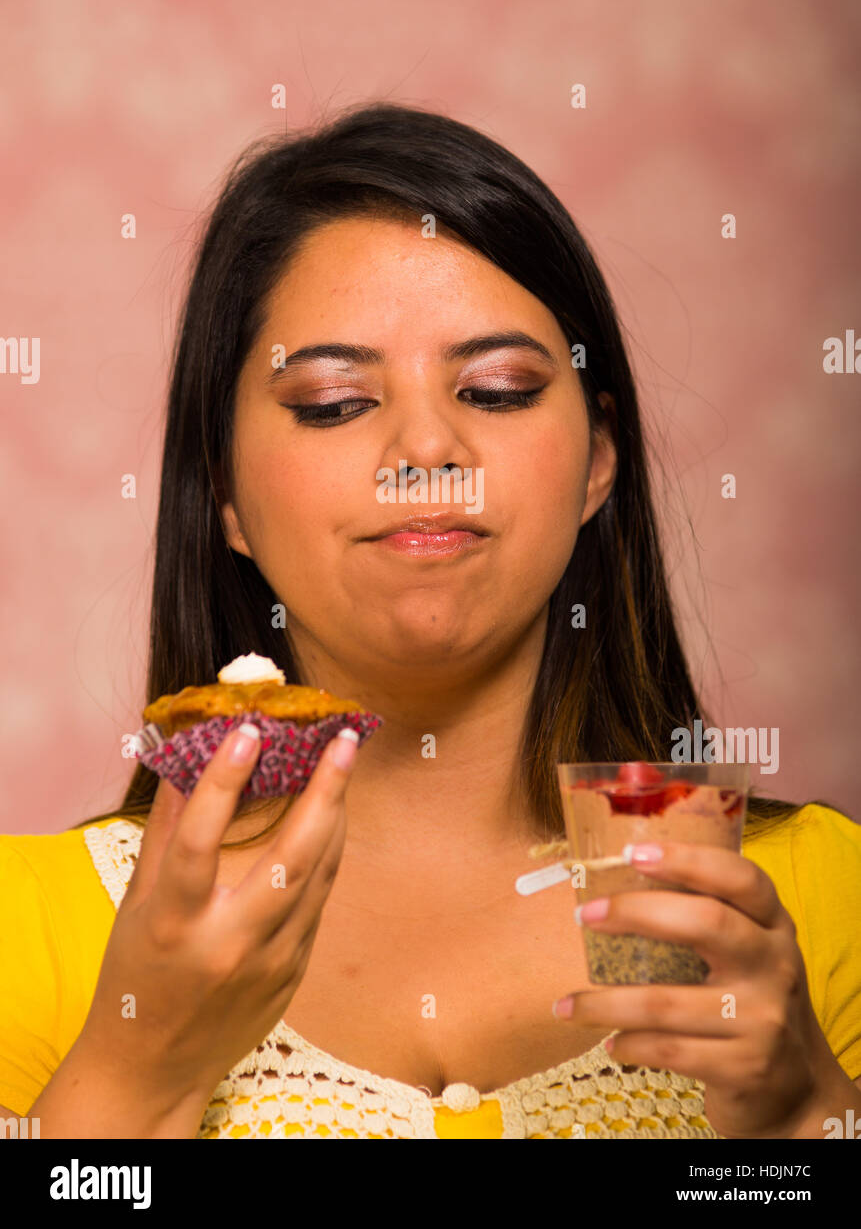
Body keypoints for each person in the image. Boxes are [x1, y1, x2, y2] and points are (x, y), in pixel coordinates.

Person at [2, 103, 859, 1140]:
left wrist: (806, 1120)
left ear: (596, 462)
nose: (424, 449)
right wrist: (138, 1071)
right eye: (332, 401)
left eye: (496, 390)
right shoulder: (34, 926)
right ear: (223, 492)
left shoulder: (814, 898)